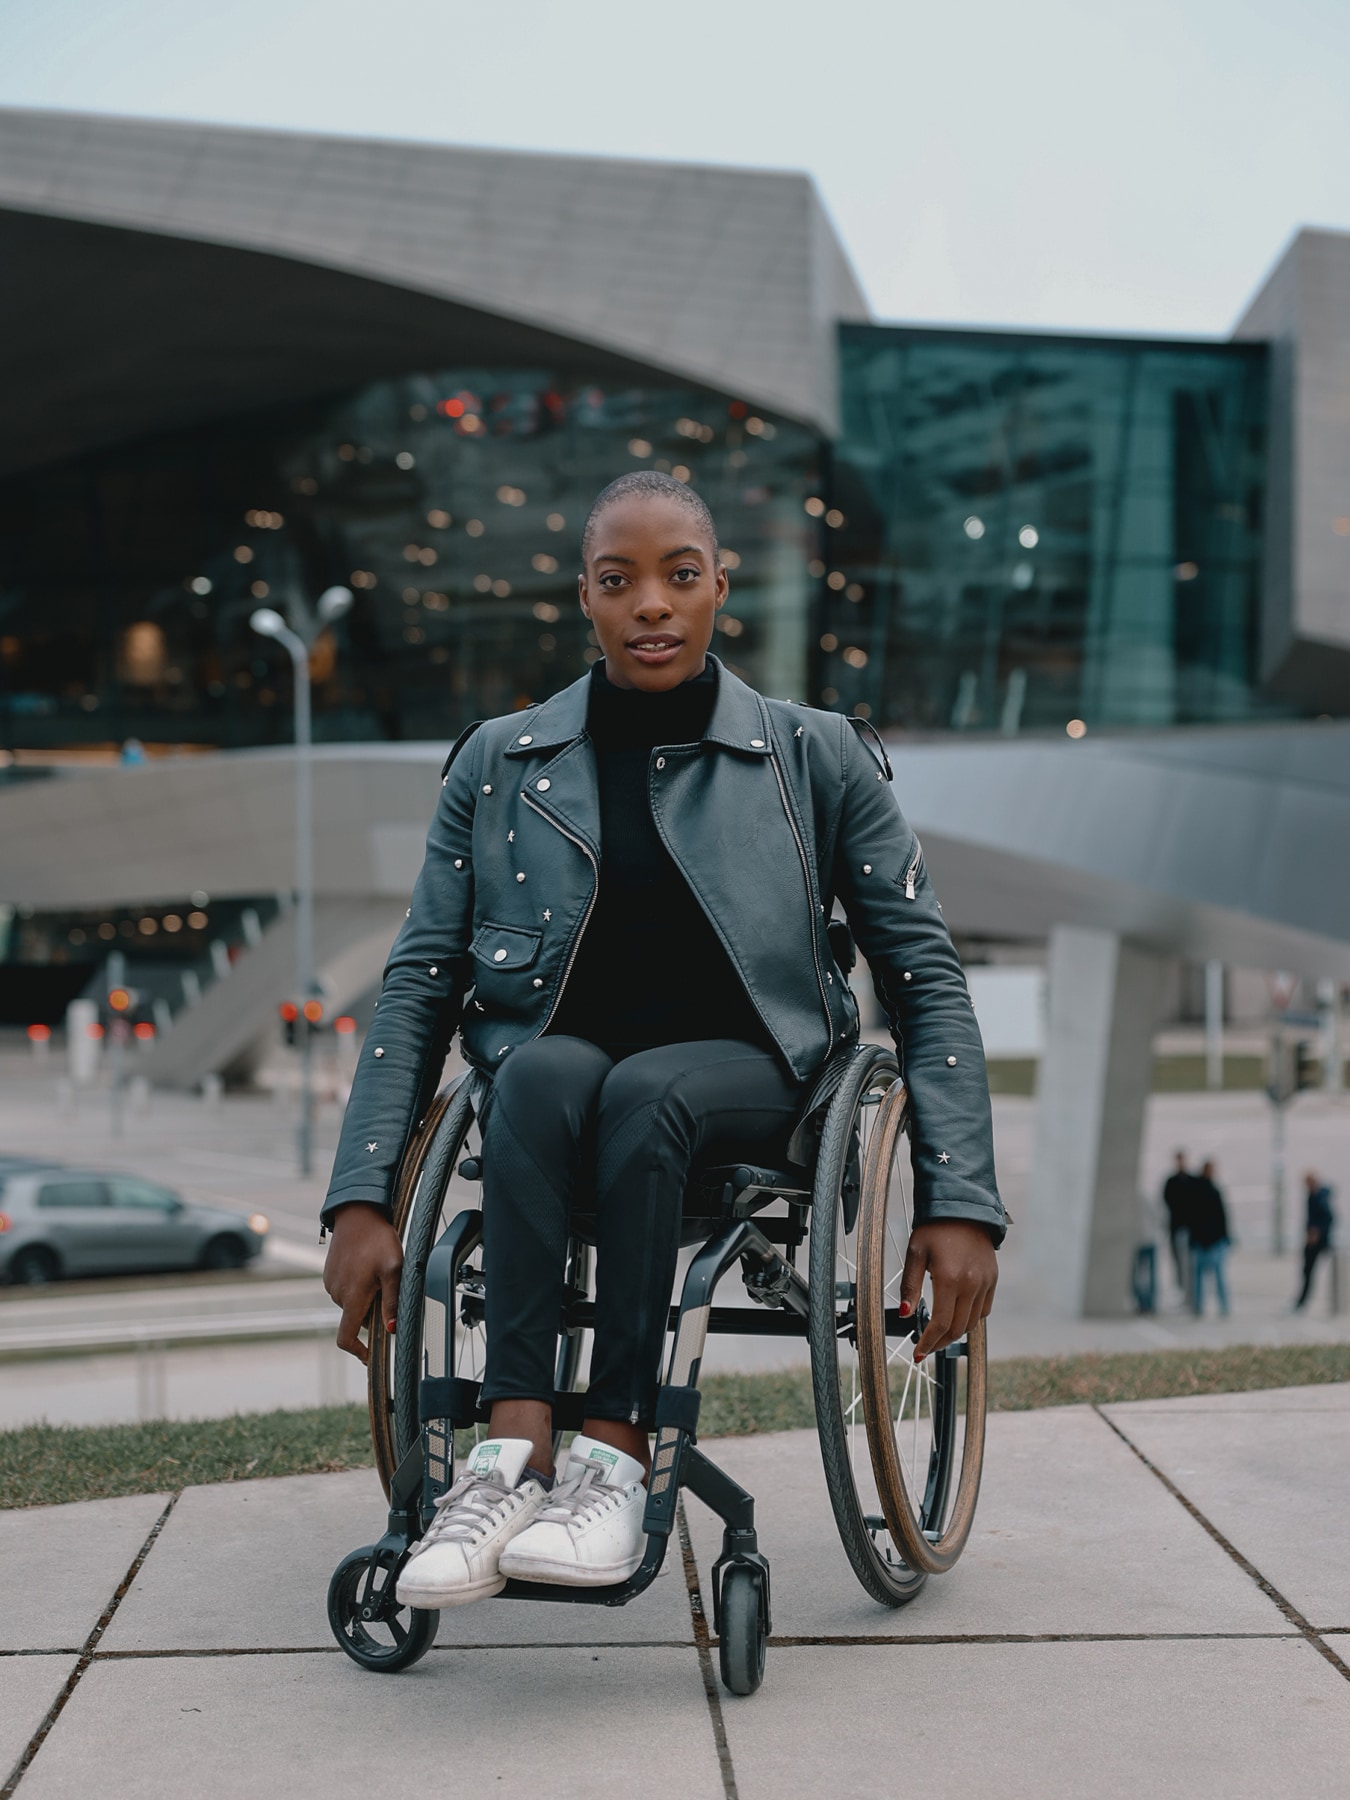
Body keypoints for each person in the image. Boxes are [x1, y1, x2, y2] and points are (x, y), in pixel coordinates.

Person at [321, 470, 1005, 1608]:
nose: (651, 603)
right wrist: (361, 1198)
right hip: (565, 1085)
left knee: (651, 1091)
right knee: (529, 1072)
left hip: (758, 1079)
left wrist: (959, 1200)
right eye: (619, 580)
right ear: (584, 599)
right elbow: (419, 984)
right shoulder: (498, 762)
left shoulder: (817, 755)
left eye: (680, 576)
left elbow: (925, 976)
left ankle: (616, 1458)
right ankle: (509, 1456)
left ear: (719, 588)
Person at [1188, 1159, 1230, 1317]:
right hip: (1212, 1240)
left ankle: (1200, 1307)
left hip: (1203, 1240)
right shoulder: (1211, 1191)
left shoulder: (1197, 1190)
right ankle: (1222, 1307)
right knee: (1217, 1276)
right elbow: (1221, 1217)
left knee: (1200, 1277)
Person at [1293, 1171, 1335, 1311]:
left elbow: (1329, 1217)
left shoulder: (1319, 1197)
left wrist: (1317, 1232)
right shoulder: (1313, 1195)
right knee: (1306, 1270)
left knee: (1309, 1270)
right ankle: (1301, 1301)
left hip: (1318, 1241)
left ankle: (1302, 1302)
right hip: (1313, 1239)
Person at [1161, 1150, 1194, 1295]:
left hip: (1189, 1228)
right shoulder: (1171, 1181)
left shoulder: (1191, 1181)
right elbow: (1166, 1201)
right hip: (1176, 1226)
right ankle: (1181, 1289)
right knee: (1178, 1262)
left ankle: (1188, 1291)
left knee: (1188, 1262)